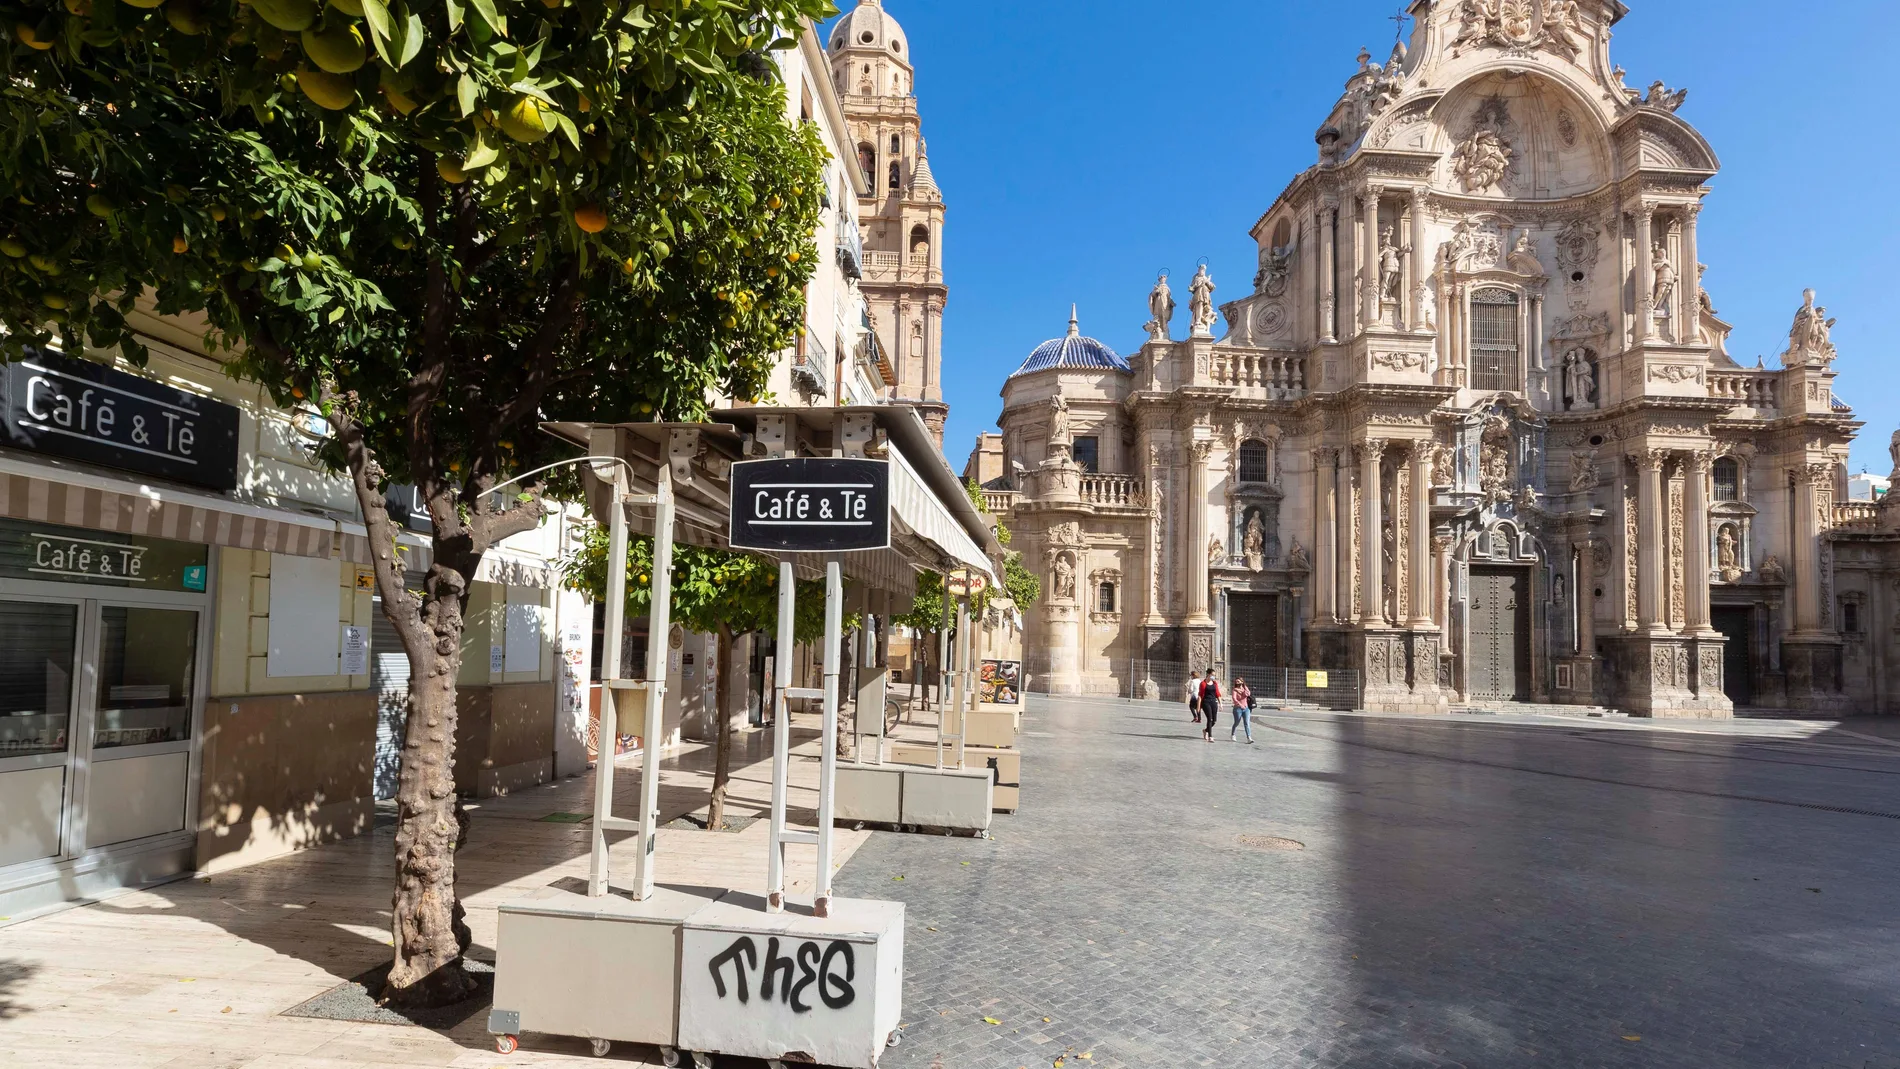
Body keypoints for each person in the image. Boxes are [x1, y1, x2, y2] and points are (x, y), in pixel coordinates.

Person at [1197, 670, 1221, 743]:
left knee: (1214, 720)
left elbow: (1217, 693)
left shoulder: (1214, 683)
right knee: (1209, 719)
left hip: (1213, 702)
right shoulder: (1203, 683)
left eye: (1214, 675)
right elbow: (1200, 695)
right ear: (1208, 674)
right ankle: (1210, 736)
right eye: (1212, 675)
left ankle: (1206, 730)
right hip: (1206, 702)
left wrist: (1221, 704)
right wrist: (1198, 706)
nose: (1213, 676)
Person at [1230, 677, 1255, 744]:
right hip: (1238, 708)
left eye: (1238, 681)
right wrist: (1240, 705)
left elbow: (1248, 694)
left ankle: (1249, 737)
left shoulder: (1245, 688)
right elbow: (1234, 699)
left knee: (1247, 723)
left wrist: (1245, 687)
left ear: (1242, 682)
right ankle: (1233, 734)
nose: (1237, 682)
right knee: (1237, 722)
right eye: (1236, 681)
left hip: (1246, 708)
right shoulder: (1234, 690)